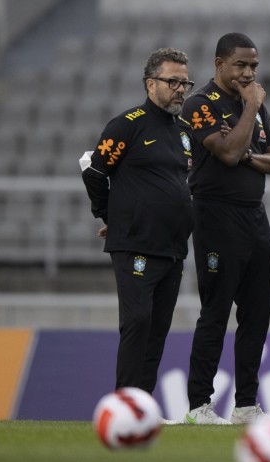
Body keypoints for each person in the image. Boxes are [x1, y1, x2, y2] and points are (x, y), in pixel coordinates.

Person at [181, 33, 270, 425]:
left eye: (254, 67)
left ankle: (245, 405)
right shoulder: (200, 105)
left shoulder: (256, 108)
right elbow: (226, 153)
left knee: (256, 316)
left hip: (254, 216)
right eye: (241, 65)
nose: (248, 73)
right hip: (215, 215)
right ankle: (198, 405)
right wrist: (249, 109)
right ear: (219, 64)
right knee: (215, 311)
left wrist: (246, 155)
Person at [81, 48, 195, 397]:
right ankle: (124, 401)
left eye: (185, 82)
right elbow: (95, 172)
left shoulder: (185, 130)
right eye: (172, 81)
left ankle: (142, 404)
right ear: (150, 83)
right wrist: (109, 217)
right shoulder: (126, 126)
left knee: (158, 328)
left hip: (173, 247)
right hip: (135, 244)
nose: (180, 89)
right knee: (137, 321)